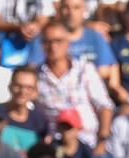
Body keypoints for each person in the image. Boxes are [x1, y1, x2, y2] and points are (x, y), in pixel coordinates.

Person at [35, 21, 113, 149]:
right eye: (47, 42)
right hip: (53, 142)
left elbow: (104, 106)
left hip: (87, 140)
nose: (53, 46)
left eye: (58, 41)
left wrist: (102, 141)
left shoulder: (85, 69)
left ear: (68, 43)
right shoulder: (36, 76)